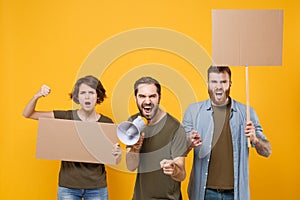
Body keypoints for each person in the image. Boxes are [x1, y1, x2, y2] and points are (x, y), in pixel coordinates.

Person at [23, 75, 121, 200]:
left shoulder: (106, 123)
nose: (87, 97)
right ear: (77, 97)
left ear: (98, 96)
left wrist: (117, 155)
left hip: (97, 187)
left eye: (91, 92)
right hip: (68, 187)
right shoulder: (66, 117)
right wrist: (37, 95)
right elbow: (28, 114)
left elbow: (115, 160)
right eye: (83, 93)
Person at [183, 66, 272, 200]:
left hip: (235, 194)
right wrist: (189, 143)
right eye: (214, 82)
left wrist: (255, 139)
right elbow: (178, 150)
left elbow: (267, 151)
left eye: (223, 82)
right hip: (204, 193)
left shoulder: (246, 113)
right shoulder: (193, 111)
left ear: (230, 83)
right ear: (207, 84)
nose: (219, 87)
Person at [125, 76, 188, 200]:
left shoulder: (175, 128)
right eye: (142, 96)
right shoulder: (132, 123)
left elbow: (182, 175)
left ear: (159, 97)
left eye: (152, 96)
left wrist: (174, 169)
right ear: (135, 98)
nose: (147, 101)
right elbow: (131, 166)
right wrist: (135, 148)